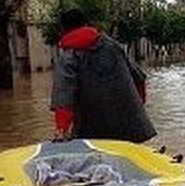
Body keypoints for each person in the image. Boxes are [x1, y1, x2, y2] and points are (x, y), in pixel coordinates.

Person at [51, 8, 156, 143]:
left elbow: (63, 99)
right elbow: (139, 78)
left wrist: (61, 132)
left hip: (94, 133)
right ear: (86, 24)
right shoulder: (113, 45)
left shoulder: (68, 57)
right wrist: (138, 108)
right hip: (132, 127)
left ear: (63, 30)